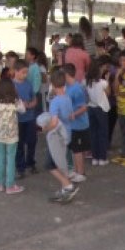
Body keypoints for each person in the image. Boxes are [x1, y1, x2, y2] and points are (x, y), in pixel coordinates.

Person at [44, 70, 80, 203]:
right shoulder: (67, 98)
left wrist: (45, 128)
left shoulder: (55, 101)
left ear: (52, 85)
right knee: (60, 162)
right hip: (67, 134)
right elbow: (71, 116)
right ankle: (65, 188)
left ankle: (68, 185)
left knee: (50, 164)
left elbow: (54, 122)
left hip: (57, 136)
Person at [0, 77, 25, 194]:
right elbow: (23, 110)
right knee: (11, 159)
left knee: (0, 158)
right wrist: (18, 96)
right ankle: (10, 185)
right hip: (12, 135)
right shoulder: (15, 102)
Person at [63, 63, 90, 182]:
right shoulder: (68, 87)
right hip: (73, 125)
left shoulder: (77, 88)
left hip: (79, 125)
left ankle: (81, 172)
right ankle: (77, 170)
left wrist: (73, 115)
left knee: (77, 150)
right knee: (76, 149)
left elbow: (83, 107)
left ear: (67, 74)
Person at [13, 59, 39, 177]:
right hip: (17, 119)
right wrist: (19, 105)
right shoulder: (12, 85)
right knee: (19, 144)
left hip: (30, 118)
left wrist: (30, 104)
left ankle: (31, 162)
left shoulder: (28, 84)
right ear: (16, 71)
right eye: (23, 72)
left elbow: (34, 98)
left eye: (26, 72)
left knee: (32, 141)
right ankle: (20, 167)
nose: (25, 75)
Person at [86, 59, 111, 166]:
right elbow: (108, 93)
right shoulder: (103, 82)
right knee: (103, 133)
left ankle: (95, 157)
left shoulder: (87, 82)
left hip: (91, 108)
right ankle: (102, 158)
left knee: (93, 133)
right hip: (101, 109)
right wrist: (107, 80)